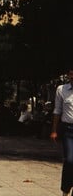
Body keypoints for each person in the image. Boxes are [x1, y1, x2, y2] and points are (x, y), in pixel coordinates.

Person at [51, 67, 73, 196]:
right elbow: (57, 111)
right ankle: (65, 190)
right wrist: (54, 130)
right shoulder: (61, 90)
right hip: (68, 130)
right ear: (68, 76)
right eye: (71, 75)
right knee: (70, 160)